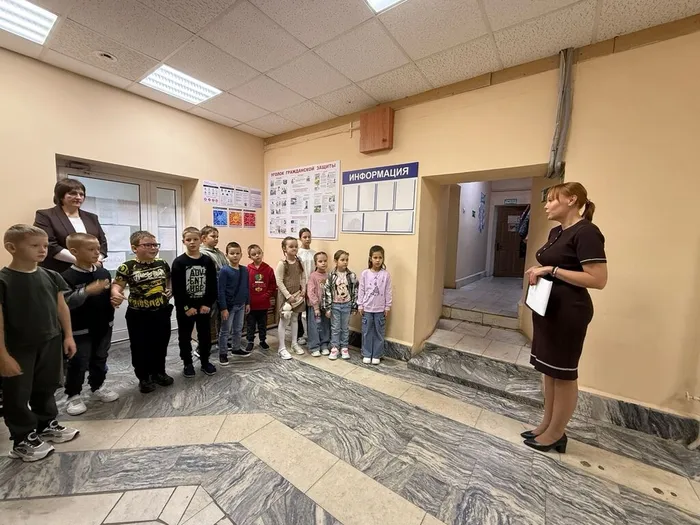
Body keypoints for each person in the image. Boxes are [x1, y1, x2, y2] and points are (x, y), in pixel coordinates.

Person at [522, 182, 607, 454]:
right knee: (550, 371)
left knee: (564, 375)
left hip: (569, 312)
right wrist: (540, 270)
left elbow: (598, 279)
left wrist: (552, 270)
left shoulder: (587, 232)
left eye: (551, 200)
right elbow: (552, 264)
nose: (546, 206)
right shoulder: (557, 231)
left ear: (571, 200)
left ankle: (557, 433)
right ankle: (546, 424)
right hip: (549, 308)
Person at [0, 225, 79, 462]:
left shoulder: (51, 276)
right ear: (11, 247)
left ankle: (46, 424)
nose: (42, 250)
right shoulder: (4, 281)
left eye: (45, 245)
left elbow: (61, 308)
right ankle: (22, 438)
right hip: (18, 347)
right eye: (35, 245)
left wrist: (68, 335)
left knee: (46, 385)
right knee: (17, 393)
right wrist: (3, 356)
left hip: (50, 341)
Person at [62, 233, 119, 416]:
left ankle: (97, 386)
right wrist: (86, 291)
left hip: (104, 324)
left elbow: (109, 292)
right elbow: (65, 303)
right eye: (91, 249)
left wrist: (115, 297)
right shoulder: (66, 277)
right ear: (74, 251)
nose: (97, 253)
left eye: (98, 249)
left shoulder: (103, 272)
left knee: (100, 357)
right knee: (78, 362)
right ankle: (73, 394)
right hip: (80, 329)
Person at [111, 231, 174, 394]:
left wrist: (170, 289)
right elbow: (117, 285)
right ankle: (144, 377)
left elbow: (169, 278)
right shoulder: (127, 266)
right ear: (134, 248)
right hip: (138, 315)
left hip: (161, 312)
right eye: (148, 245)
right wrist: (116, 293)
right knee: (140, 347)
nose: (153, 248)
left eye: (155, 245)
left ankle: (159, 372)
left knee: (161, 344)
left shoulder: (162, 263)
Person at [34, 178, 108, 273]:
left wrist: (96, 260)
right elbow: (50, 245)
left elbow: (103, 243)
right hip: (60, 271)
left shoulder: (92, 217)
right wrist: (83, 261)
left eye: (81, 194)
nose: (78, 197)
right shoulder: (45, 215)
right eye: (73, 194)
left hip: (92, 271)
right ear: (61, 196)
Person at [172, 227, 218, 379]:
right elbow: (177, 288)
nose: (192, 242)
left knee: (205, 335)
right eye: (188, 239)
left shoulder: (207, 261)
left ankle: (205, 361)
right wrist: (187, 307)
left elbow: (212, 285)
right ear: (183, 241)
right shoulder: (179, 262)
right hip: (185, 308)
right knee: (184, 337)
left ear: (200, 240)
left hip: (203, 307)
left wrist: (207, 304)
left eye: (195, 239)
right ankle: (187, 363)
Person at [358, 246, 393, 365]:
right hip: (367, 308)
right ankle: (367, 353)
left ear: (383, 259)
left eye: (380, 258)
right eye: (375, 257)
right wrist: (360, 305)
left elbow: (388, 291)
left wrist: (387, 306)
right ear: (370, 258)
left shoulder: (386, 275)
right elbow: (361, 290)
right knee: (367, 331)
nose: (378, 260)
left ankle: (377, 354)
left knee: (379, 332)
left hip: (380, 309)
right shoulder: (365, 274)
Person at [218, 242, 250, 366]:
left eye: (237, 253)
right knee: (225, 330)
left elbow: (246, 287)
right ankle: (223, 353)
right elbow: (221, 290)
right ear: (227, 255)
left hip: (241, 304)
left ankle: (236, 348)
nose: (235, 256)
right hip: (229, 306)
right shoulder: (224, 271)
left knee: (238, 328)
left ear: (241, 254)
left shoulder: (244, 270)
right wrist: (223, 308)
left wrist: (247, 303)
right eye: (232, 253)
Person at [275, 237, 307, 360]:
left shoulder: (299, 261)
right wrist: (288, 296)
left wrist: (303, 289)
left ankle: (294, 343)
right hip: (286, 297)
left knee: (295, 319)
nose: (294, 248)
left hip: (297, 295)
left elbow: (303, 276)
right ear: (284, 248)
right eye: (291, 246)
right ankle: (281, 348)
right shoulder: (282, 264)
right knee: (284, 320)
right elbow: (279, 281)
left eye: (296, 246)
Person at [323, 250, 358, 361]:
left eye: (347, 260)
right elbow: (327, 291)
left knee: (345, 328)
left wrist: (354, 306)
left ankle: (344, 347)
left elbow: (354, 291)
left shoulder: (351, 275)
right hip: (335, 306)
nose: (345, 262)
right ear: (336, 261)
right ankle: (335, 347)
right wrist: (328, 308)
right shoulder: (331, 276)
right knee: (335, 328)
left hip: (347, 305)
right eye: (342, 260)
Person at [200, 226, 228, 356]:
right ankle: (201, 347)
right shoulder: (202, 254)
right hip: (210, 291)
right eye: (213, 236)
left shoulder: (219, 252)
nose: (216, 239)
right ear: (203, 238)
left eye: (217, 236)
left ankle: (220, 341)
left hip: (221, 290)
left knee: (221, 317)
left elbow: (225, 267)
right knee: (208, 319)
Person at [246, 244, 276, 352]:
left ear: (262, 253)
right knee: (250, 324)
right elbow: (245, 286)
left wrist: (266, 295)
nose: (257, 256)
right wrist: (247, 300)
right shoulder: (247, 269)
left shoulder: (268, 269)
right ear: (250, 256)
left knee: (263, 324)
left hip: (263, 303)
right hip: (251, 304)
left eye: (259, 253)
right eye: (254, 254)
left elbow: (272, 285)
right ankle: (250, 341)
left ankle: (262, 340)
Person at [306, 252, 330, 357]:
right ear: (316, 263)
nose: (323, 263)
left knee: (325, 326)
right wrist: (316, 307)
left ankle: (324, 345)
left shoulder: (329, 276)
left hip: (325, 307)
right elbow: (310, 292)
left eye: (325, 261)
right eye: (320, 261)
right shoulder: (313, 276)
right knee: (315, 326)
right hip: (315, 307)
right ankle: (314, 346)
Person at [296, 228, 315, 346]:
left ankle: (311, 333)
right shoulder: (298, 254)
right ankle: (300, 335)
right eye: (304, 237)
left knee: (310, 311)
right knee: (299, 312)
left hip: (312, 286)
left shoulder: (314, 253)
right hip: (300, 286)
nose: (307, 239)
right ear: (300, 238)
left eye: (309, 237)